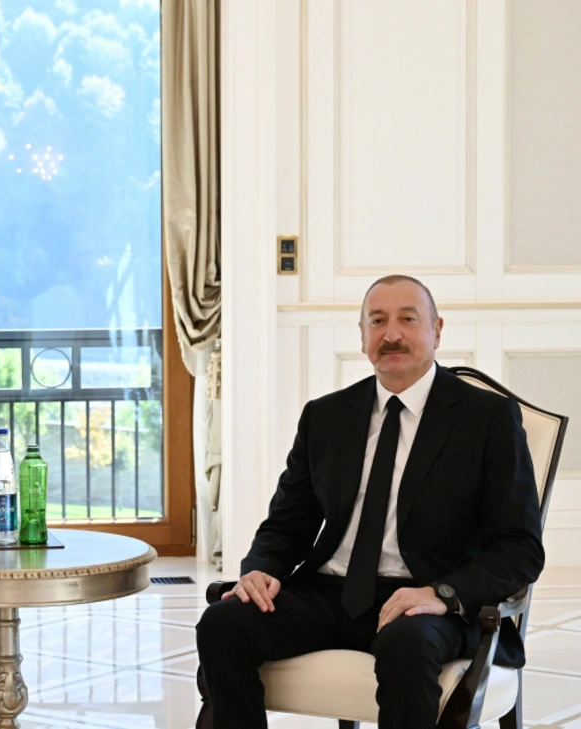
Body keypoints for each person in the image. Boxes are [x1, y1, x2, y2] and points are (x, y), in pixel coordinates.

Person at [195, 274, 544, 728]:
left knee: (407, 646)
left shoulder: (488, 418)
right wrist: (260, 569)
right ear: (362, 337)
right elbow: (287, 524)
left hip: (426, 596)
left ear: (437, 330)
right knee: (222, 623)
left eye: (408, 319)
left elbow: (519, 547)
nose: (391, 334)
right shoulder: (325, 416)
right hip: (329, 593)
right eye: (377, 321)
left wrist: (443, 594)